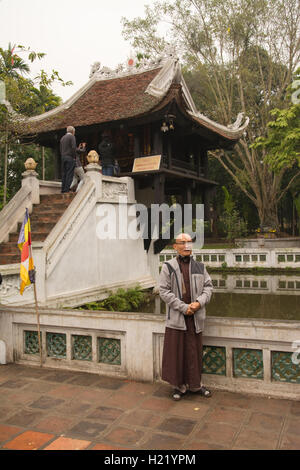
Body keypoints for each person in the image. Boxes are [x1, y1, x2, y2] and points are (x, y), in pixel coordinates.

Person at [159, 232, 213, 401]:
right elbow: (163, 291)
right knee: (177, 353)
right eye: (182, 242)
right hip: (177, 317)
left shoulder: (200, 266)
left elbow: (208, 288)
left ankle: (196, 385)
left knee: (194, 352)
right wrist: (183, 308)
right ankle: (179, 387)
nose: (186, 245)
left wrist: (198, 303)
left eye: (189, 242)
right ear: (175, 246)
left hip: (195, 317)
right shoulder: (167, 267)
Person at [60, 126, 78, 193]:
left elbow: (60, 149)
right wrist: (74, 157)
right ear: (73, 131)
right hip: (70, 157)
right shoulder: (72, 137)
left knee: (64, 174)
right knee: (69, 174)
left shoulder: (62, 138)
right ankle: (66, 189)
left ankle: (63, 189)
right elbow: (73, 147)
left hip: (63, 157)